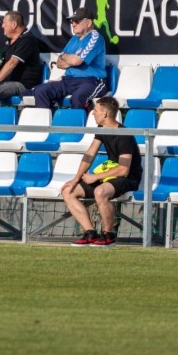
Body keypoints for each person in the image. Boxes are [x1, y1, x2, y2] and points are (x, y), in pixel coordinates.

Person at [60, 96, 141, 247]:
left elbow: (124, 169)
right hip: (110, 176)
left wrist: (95, 177)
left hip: (128, 178)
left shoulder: (124, 135)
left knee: (100, 192)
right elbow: (89, 154)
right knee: (68, 191)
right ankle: (90, 232)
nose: (92, 113)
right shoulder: (101, 130)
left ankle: (109, 235)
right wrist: (76, 179)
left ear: (104, 114)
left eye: (95, 110)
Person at [30, 6, 107, 110]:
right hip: (68, 81)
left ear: (88, 23)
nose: (73, 24)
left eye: (77, 21)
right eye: (72, 22)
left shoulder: (95, 37)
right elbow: (59, 62)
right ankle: (46, 124)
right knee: (41, 91)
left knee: (78, 97)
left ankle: (77, 126)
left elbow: (76, 61)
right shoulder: (74, 38)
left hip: (91, 81)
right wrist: (70, 58)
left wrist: (68, 58)